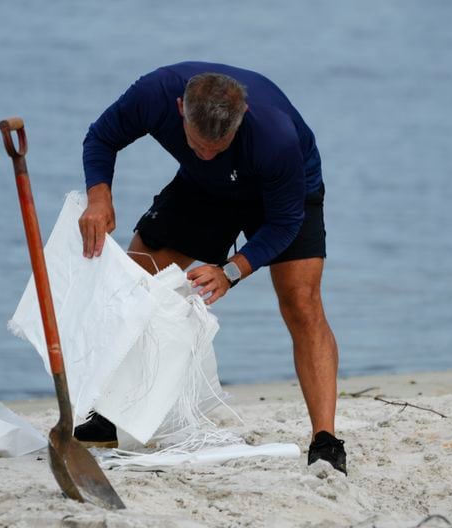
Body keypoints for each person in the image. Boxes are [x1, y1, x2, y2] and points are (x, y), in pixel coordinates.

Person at [74, 61, 346, 475]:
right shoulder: (155, 94)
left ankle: (325, 441)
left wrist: (231, 269)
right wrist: (98, 196)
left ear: (242, 119)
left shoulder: (275, 138)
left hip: (284, 198)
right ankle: (114, 411)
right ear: (181, 108)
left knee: (302, 305)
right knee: (134, 283)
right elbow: (102, 136)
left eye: (217, 147)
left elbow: (285, 223)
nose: (205, 152)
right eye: (198, 145)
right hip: (206, 188)